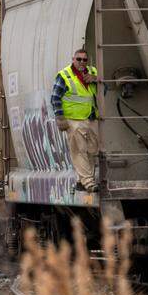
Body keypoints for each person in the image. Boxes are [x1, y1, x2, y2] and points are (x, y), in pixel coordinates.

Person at [51, 48, 99, 192]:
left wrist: (96, 79)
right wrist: (60, 118)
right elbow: (55, 98)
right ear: (73, 59)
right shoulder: (64, 75)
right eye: (79, 59)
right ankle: (89, 182)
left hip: (90, 117)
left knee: (92, 150)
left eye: (85, 59)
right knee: (79, 150)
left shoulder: (93, 72)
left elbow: (106, 87)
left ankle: (80, 181)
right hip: (73, 120)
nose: (82, 62)